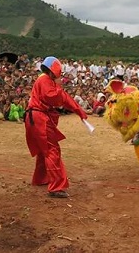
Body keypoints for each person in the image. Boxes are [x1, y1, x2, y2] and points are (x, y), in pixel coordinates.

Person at [24, 56, 88, 198]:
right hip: (39, 118)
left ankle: (41, 178)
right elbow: (54, 96)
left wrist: (79, 111)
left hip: (34, 117)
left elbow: (64, 98)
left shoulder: (44, 79)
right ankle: (56, 187)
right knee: (52, 150)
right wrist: (59, 87)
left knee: (43, 150)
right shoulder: (45, 80)